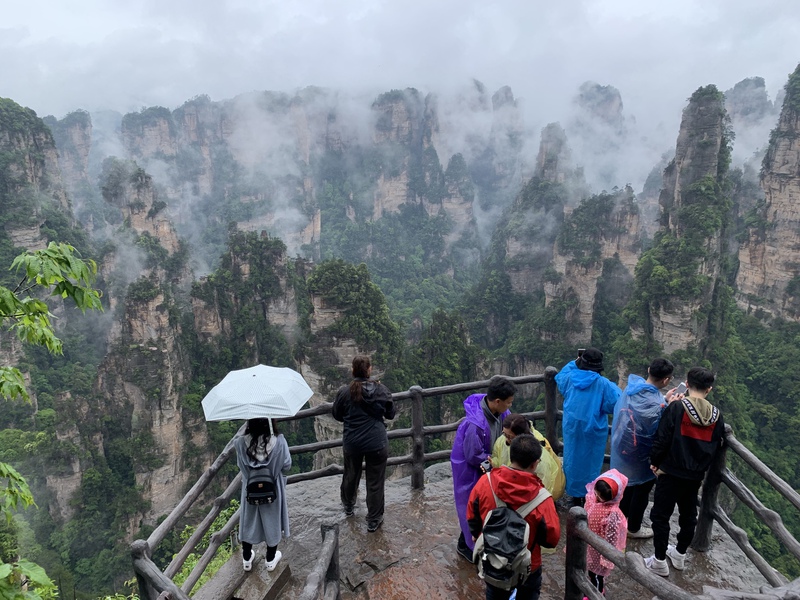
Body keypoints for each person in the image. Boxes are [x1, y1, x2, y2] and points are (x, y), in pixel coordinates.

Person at [645, 367, 726, 577]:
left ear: (687, 384)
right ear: (709, 389)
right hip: (695, 475)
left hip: (670, 472)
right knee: (689, 516)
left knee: (661, 515)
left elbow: (662, 438)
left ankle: (659, 560)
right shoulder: (717, 416)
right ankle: (680, 554)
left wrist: (655, 461)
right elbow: (716, 445)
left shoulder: (677, 408)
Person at [467, 434, 561, 600]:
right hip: (527, 565)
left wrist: (477, 533)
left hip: (494, 560)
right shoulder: (543, 499)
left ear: (511, 455)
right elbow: (551, 539)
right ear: (535, 464)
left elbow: (472, 515)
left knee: (494, 594)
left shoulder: (485, 483)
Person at [610, 358, 682, 539]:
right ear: (666, 380)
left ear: (649, 370)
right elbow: (660, 426)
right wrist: (670, 406)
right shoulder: (659, 404)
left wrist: (664, 400)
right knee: (641, 491)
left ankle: (620, 521)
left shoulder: (631, 389)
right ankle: (633, 528)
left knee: (626, 486)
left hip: (624, 447)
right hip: (642, 455)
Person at [451, 375, 516, 561]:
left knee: (483, 506)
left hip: (485, 464)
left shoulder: (501, 412)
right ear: (497, 401)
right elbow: (472, 455)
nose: (510, 406)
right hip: (469, 470)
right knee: (471, 505)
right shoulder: (475, 425)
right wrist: (493, 465)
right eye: (508, 402)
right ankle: (466, 545)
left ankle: (474, 541)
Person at [332, 355, 395, 532]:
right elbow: (390, 414)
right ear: (369, 370)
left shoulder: (345, 392)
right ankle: (373, 520)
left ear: (353, 370)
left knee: (351, 474)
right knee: (375, 481)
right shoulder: (381, 390)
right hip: (377, 442)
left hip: (353, 442)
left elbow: (337, 414)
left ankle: (348, 506)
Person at [556, 348, 621, 505]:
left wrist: (575, 361)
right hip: (593, 431)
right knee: (591, 463)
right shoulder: (603, 384)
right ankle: (589, 496)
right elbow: (617, 401)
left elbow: (560, 376)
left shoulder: (570, 378)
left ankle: (574, 496)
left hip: (572, 428)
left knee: (572, 459)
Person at [234, 418, 292, 572]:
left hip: (250, 488)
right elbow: (287, 465)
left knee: (248, 520)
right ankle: (270, 559)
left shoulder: (240, 443)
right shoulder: (279, 442)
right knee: (273, 520)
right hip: (272, 488)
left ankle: (247, 558)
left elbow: (240, 465)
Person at [491, 414, 565, 501]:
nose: (506, 439)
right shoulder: (503, 440)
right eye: (504, 434)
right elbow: (498, 457)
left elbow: (544, 483)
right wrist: (493, 463)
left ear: (520, 436)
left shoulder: (534, 451)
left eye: (510, 437)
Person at [584, 469, 628, 596]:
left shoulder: (612, 513)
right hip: (590, 545)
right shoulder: (592, 499)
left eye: (600, 498)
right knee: (590, 571)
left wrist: (606, 559)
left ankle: (597, 594)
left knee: (597, 575)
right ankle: (591, 589)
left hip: (600, 550)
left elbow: (611, 537)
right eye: (596, 494)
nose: (597, 498)